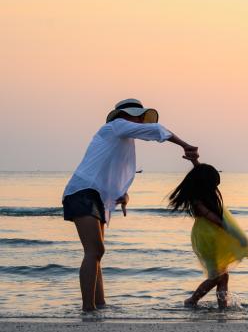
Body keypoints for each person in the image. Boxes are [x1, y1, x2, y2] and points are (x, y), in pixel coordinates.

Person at [62, 98, 199, 312]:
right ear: (129, 116)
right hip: (82, 191)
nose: (142, 121)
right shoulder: (114, 127)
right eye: (139, 117)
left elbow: (117, 174)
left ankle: (100, 305)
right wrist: (185, 145)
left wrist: (124, 195)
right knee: (95, 251)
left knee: (97, 253)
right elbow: (156, 129)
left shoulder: (123, 142)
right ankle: (88, 309)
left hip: (96, 196)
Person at [167, 161, 248, 309]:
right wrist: (237, 236)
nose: (215, 188)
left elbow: (200, 173)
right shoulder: (197, 200)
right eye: (213, 184)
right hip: (206, 239)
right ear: (205, 184)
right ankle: (192, 300)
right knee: (216, 276)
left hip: (214, 237)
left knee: (223, 276)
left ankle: (222, 307)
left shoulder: (204, 194)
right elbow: (215, 220)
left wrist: (195, 162)